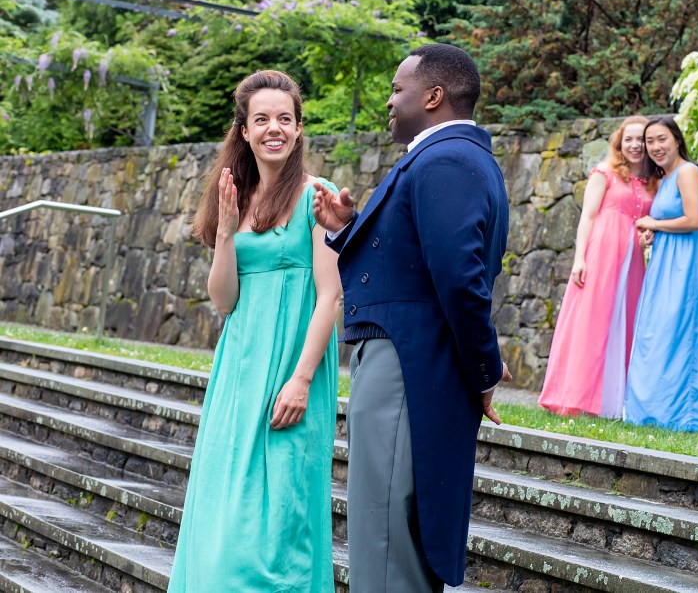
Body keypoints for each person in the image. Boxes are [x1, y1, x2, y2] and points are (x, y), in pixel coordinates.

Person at [311, 43, 511, 591]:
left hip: (406, 365)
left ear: (434, 95)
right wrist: (349, 228)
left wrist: (486, 367)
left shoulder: (447, 158)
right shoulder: (451, 157)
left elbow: (458, 275)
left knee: (384, 535)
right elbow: (420, 260)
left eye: (398, 90)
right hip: (414, 360)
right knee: (393, 532)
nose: (389, 102)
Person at [169, 70, 342, 591]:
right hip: (240, 365)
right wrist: (225, 231)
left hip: (295, 364)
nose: (274, 128)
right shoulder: (233, 199)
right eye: (261, 119)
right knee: (228, 504)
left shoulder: (318, 195)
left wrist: (302, 379)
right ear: (242, 130)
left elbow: (331, 295)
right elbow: (224, 300)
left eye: (284, 119)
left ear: (298, 129)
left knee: (283, 512)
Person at [539, 116, 658, 418]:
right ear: (619, 143)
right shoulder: (604, 173)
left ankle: (613, 403)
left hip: (633, 263)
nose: (634, 145)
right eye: (628, 139)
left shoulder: (651, 182)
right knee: (590, 325)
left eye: (640, 139)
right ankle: (576, 399)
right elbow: (588, 217)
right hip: (602, 255)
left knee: (626, 323)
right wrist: (580, 258)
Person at [624, 116, 698, 432]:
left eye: (661, 139)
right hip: (667, 261)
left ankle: (689, 415)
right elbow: (673, 218)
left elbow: (694, 219)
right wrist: (656, 234)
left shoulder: (688, 172)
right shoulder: (667, 178)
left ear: (677, 140)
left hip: (687, 265)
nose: (655, 147)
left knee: (681, 330)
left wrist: (654, 224)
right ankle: (655, 410)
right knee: (660, 332)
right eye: (650, 141)